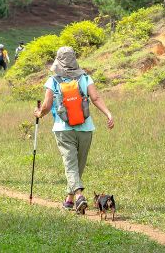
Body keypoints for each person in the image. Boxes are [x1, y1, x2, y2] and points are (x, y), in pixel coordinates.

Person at [34, 46, 115, 214]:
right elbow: (95, 98)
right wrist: (108, 114)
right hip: (85, 128)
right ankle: (70, 200)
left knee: (70, 164)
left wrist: (39, 113)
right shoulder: (85, 78)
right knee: (78, 165)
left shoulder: (53, 80)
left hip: (63, 129)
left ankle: (78, 196)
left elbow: (47, 105)